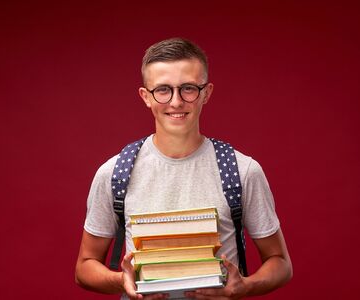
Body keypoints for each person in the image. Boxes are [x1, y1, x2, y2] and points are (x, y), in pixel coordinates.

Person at [75, 37, 292, 299]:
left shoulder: (242, 171)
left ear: (207, 93)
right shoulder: (115, 174)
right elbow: (84, 267)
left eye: (188, 88)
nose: (176, 102)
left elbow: (280, 262)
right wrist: (123, 280)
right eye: (163, 90)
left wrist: (244, 287)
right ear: (146, 96)